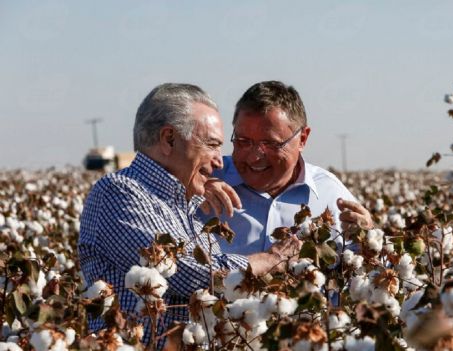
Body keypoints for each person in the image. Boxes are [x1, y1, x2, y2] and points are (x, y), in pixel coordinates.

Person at [78, 83, 300, 347]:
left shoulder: (188, 204)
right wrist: (271, 259)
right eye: (212, 145)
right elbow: (188, 274)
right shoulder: (118, 193)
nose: (220, 161)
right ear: (169, 139)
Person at [199, 80, 372, 255]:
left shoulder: (329, 193)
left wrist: (367, 243)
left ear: (302, 139)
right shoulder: (203, 179)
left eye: (270, 144)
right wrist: (190, 190)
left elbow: (365, 267)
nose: (255, 157)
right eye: (243, 142)